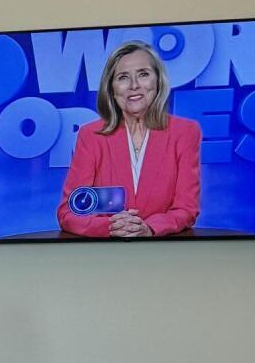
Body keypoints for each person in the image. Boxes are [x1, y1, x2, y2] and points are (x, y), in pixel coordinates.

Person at [58, 40, 201, 237]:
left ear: (158, 81)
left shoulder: (185, 132)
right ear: (111, 88)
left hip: (164, 254)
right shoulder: (91, 136)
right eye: (123, 77)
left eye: (143, 74)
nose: (134, 85)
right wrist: (110, 227)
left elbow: (186, 209)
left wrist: (149, 228)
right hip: (104, 256)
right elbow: (68, 212)